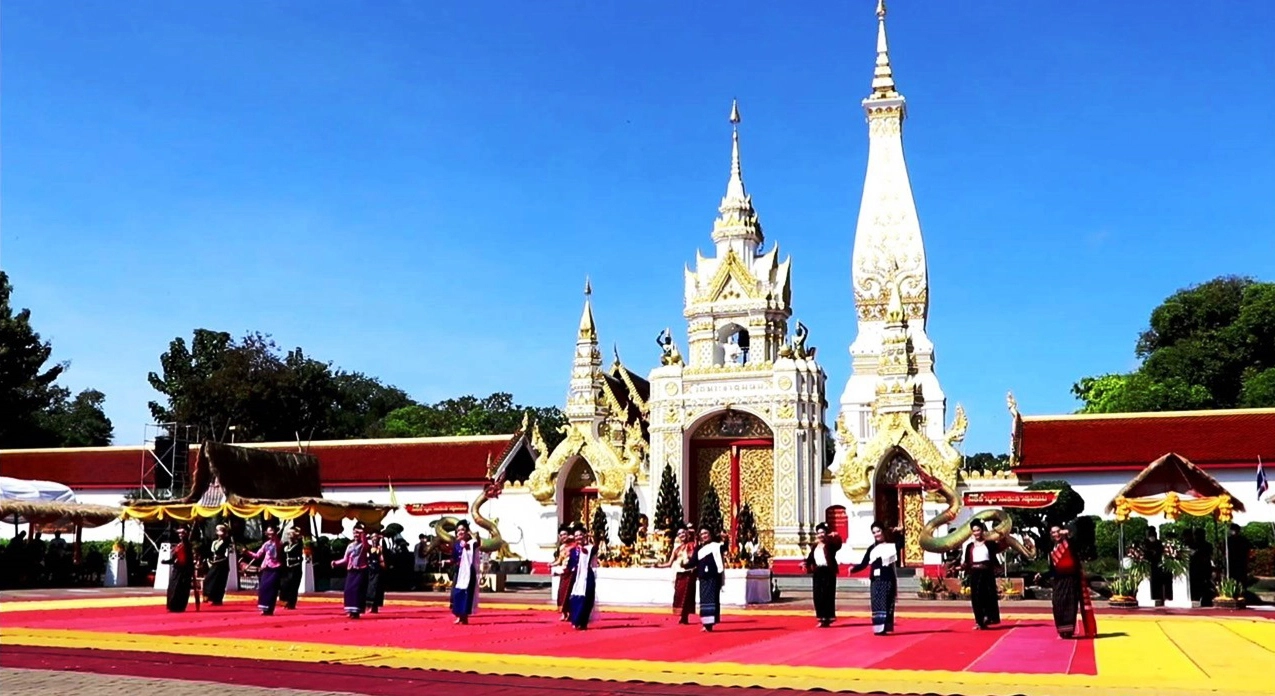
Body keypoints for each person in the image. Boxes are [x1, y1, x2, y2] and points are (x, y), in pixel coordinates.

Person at [1037, 526, 1097, 639]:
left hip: (1071, 580)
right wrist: (1042, 575)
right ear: (1051, 534)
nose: (1056, 534)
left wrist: (1068, 534)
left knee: (1070, 605)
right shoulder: (1052, 549)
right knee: (1057, 604)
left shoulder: (1069, 544)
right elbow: (1052, 570)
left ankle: (1068, 631)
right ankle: (1061, 630)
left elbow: (1076, 540)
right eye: (1054, 532)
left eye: (1058, 531)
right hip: (1058, 581)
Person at [851, 521, 900, 636]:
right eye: (874, 532)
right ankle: (879, 628)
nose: (876, 534)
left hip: (887, 579)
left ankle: (886, 627)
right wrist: (854, 569)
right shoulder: (871, 548)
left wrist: (898, 533)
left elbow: (901, 544)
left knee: (887, 603)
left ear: (883, 531)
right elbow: (864, 563)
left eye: (878, 531)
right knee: (877, 604)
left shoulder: (891, 546)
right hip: (875, 580)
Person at [962, 520, 1002, 630]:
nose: (976, 533)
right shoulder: (969, 546)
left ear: (982, 530)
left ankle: (989, 618)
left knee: (988, 595)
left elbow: (997, 551)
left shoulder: (989, 543)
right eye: (974, 531)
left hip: (987, 573)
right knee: (976, 597)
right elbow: (966, 562)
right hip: (975, 573)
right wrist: (958, 568)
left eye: (978, 530)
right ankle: (979, 621)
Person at [804, 522, 842, 628]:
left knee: (828, 595)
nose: (820, 535)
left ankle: (828, 618)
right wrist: (805, 563)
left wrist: (836, 536)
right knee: (818, 595)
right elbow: (810, 558)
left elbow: (838, 545)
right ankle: (820, 617)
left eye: (822, 532)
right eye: (818, 533)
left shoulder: (830, 545)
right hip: (818, 572)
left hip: (828, 572)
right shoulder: (815, 546)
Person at [241, 526, 282, 615]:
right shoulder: (266, 544)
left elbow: (278, 549)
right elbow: (257, 555)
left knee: (271, 589)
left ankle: (270, 609)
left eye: (271, 531)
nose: (269, 534)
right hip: (266, 568)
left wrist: (275, 538)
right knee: (263, 588)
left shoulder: (279, 543)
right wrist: (247, 552)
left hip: (275, 568)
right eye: (268, 532)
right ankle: (264, 608)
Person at [332, 524, 369, 619]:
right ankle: (350, 610)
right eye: (354, 533)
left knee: (357, 591)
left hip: (360, 571)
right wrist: (336, 563)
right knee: (348, 590)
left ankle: (356, 611)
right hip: (351, 571)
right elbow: (345, 559)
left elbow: (366, 547)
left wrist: (363, 534)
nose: (355, 535)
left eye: (357, 533)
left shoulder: (363, 545)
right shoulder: (350, 546)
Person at [566, 526, 599, 630]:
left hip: (587, 576)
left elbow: (597, 546)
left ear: (584, 535)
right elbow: (570, 564)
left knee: (587, 599)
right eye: (576, 535)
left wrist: (592, 537)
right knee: (575, 598)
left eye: (580, 534)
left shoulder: (590, 548)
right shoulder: (572, 551)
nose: (578, 537)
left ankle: (583, 621)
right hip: (576, 577)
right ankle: (576, 620)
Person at [662, 526, 697, 624]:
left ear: (687, 533)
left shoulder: (692, 545)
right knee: (678, 595)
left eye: (683, 533)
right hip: (678, 573)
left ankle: (684, 616)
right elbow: (669, 563)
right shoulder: (677, 548)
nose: (682, 535)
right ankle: (682, 615)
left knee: (686, 596)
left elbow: (692, 558)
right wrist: (657, 565)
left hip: (688, 573)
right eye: (679, 534)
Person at [450, 521, 482, 624]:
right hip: (459, 572)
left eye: (462, 530)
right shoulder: (456, 544)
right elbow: (454, 559)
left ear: (467, 531)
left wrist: (471, 534)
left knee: (466, 594)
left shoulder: (472, 543)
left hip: (468, 572)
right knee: (456, 594)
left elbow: (478, 542)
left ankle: (464, 617)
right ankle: (459, 616)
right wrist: (445, 562)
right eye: (458, 530)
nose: (460, 532)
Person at [696, 527, 725, 632]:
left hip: (713, 577)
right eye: (702, 534)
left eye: (706, 533)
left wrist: (726, 539)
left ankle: (710, 624)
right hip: (703, 578)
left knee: (712, 601)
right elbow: (693, 561)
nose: (704, 535)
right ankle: (706, 623)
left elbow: (725, 547)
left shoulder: (716, 546)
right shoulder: (699, 549)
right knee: (704, 602)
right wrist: (684, 564)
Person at [164, 526, 196, 613]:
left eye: (183, 533)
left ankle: (179, 606)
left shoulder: (187, 545)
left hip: (184, 571)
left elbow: (188, 559)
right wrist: (166, 562)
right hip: (176, 570)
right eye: (179, 533)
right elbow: (174, 558)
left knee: (181, 589)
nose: (180, 535)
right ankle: (172, 606)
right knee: (172, 588)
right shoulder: (179, 545)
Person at [551, 524, 576, 622]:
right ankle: (563, 613)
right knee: (561, 592)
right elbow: (559, 560)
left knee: (569, 593)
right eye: (561, 535)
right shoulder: (561, 548)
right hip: (564, 572)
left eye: (565, 534)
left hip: (572, 572)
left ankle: (570, 613)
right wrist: (552, 564)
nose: (563, 537)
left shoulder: (574, 545)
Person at [203, 525, 232, 606]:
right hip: (214, 563)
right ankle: (209, 597)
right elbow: (212, 552)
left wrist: (218, 561)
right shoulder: (215, 541)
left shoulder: (226, 542)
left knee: (220, 582)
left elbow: (227, 555)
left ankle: (218, 599)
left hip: (222, 564)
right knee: (208, 580)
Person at [279, 527, 305, 610]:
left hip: (295, 568)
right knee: (284, 584)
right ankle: (285, 600)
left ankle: (291, 604)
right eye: (288, 534)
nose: (289, 536)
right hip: (287, 568)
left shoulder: (298, 545)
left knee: (293, 586)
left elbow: (303, 542)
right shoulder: (285, 545)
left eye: (290, 534)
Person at [1187, 528, 1214, 607]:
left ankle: (1206, 600)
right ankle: (1196, 599)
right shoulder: (1191, 545)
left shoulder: (1207, 545)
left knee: (1205, 586)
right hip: (1195, 569)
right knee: (1196, 586)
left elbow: (1209, 555)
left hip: (1204, 568)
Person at [1144, 527, 1168, 605]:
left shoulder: (1158, 543)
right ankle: (1154, 596)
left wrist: (1155, 552)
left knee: (1157, 582)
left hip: (1156, 564)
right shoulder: (1145, 543)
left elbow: (1160, 551)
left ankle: (1158, 597)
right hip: (1148, 564)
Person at [365, 531, 388, 614]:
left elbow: (382, 558)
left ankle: (375, 607)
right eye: (373, 537)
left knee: (376, 588)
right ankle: (369, 606)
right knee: (369, 588)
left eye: (376, 537)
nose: (374, 539)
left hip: (377, 570)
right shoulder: (369, 548)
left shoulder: (380, 548)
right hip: (370, 569)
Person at [1226, 524, 1250, 588]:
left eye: (1235, 530)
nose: (1234, 531)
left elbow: (1247, 551)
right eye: (1232, 530)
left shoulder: (1243, 540)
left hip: (1241, 563)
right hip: (1231, 563)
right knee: (1232, 579)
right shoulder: (1228, 540)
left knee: (1241, 580)